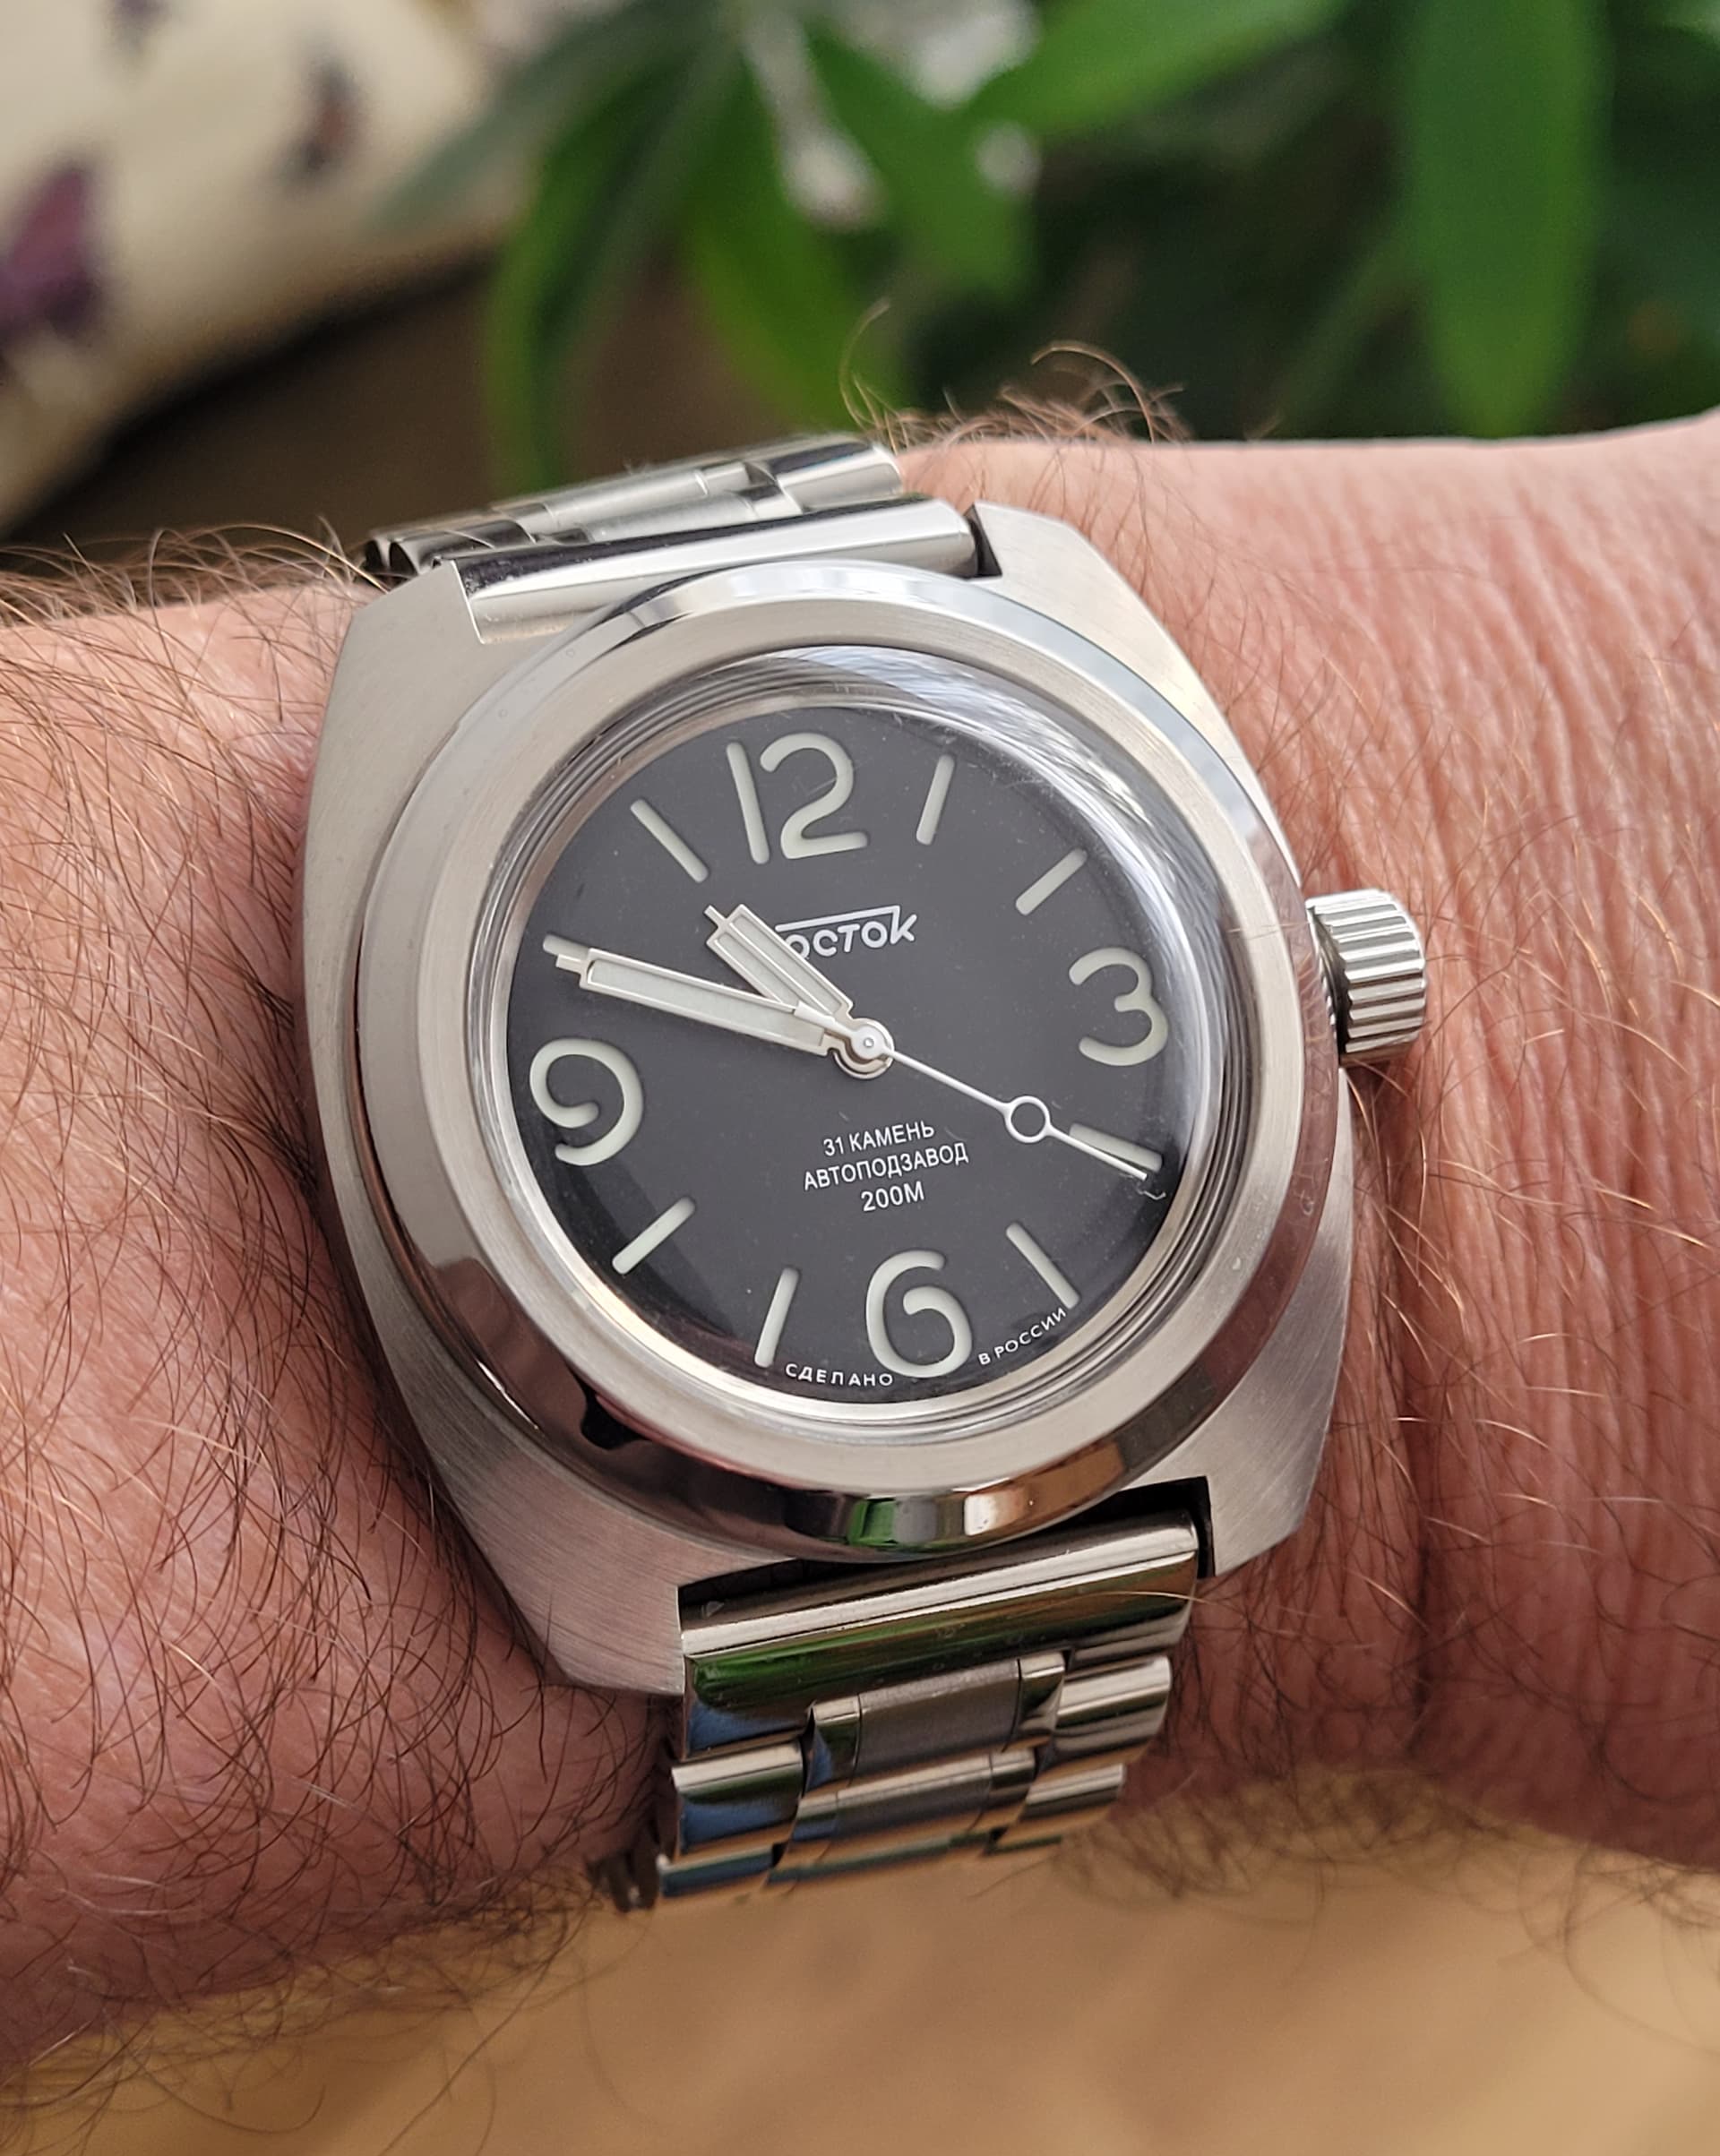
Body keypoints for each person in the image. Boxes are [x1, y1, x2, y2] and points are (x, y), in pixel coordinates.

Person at [0, 416, 1714, 2072]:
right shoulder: (487, 725)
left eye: (859, 1039)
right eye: (845, 1044)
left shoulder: (1027, 689)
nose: (865, 1049)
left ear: (1324, 970)